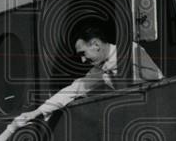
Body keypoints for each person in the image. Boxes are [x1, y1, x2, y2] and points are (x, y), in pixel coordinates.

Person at [28, 23, 163, 120]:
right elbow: (73, 90)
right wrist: (38, 111)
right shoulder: (99, 70)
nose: (83, 60)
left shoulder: (131, 50)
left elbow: (157, 77)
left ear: (96, 45)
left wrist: (117, 73)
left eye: (83, 53)